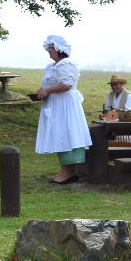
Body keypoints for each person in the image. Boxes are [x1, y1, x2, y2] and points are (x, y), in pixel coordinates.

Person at [35, 35, 92, 184]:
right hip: (57, 105)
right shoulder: (53, 66)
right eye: (49, 48)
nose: (49, 50)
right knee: (60, 135)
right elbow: (54, 83)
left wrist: (48, 91)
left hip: (65, 106)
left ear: (61, 49)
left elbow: (66, 85)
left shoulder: (66, 64)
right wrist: (42, 90)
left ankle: (68, 172)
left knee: (66, 135)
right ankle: (67, 171)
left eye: (52, 48)